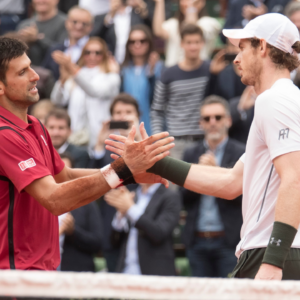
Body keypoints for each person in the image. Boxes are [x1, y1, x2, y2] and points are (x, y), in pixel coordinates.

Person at [106, 13, 300, 280]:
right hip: (271, 250)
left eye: (242, 48)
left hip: (273, 252)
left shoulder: (276, 100)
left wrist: (274, 261)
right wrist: (155, 162)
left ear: (263, 47)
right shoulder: (282, 100)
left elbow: (295, 177)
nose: (236, 58)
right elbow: (232, 182)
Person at [0, 36, 173, 270]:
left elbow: (66, 176)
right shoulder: (4, 135)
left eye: (31, 66)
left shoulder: (35, 125)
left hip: (41, 272)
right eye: (22, 72)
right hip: (14, 277)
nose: (35, 75)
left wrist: (129, 174)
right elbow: (55, 199)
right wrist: (122, 169)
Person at [181, 96, 245, 278]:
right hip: (197, 240)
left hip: (230, 241)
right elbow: (182, 198)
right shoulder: (191, 153)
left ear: (228, 120)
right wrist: (199, 174)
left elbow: (246, 196)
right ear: (200, 123)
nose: (213, 122)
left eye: (218, 117)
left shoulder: (242, 152)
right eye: (207, 119)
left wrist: (216, 172)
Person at [90, 93, 140, 272]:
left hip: (142, 227)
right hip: (111, 226)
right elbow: (97, 182)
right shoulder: (104, 151)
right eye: (118, 113)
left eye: (128, 111)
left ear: (138, 115)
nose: (123, 116)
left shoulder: (149, 145)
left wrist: (137, 137)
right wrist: (98, 145)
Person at [151, 24, 210, 160]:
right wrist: (159, 142)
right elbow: (157, 110)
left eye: (196, 42)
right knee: (174, 182)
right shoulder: (168, 74)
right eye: (189, 42)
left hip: (204, 141)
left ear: (203, 43)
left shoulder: (210, 70)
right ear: (181, 44)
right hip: (175, 142)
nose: (193, 47)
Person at [50, 37, 120, 148]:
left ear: (104, 55)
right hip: (75, 137)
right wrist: (62, 80)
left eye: (98, 53)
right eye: (88, 52)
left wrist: (71, 68)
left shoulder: (111, 76)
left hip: (101, 137)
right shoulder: (75, 75)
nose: (92, 56)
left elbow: (94, 91)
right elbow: (57, 100)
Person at [105, 183, 181, 275]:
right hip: (126, 271)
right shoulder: (132, 195)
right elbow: (114, 242)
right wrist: (120, 215)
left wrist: (130, 208)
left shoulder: (170, 196)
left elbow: (159, 233)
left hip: (154, 273)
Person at [59, 153, 103, 272]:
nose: (61, 177)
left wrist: (73, 231)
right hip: (43, 273)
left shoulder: (86, 203)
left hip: (76, 275)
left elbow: (97, 243)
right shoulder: (39, 203)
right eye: (56, 172)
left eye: (66, 173)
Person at [121, 24, 164, 134]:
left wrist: (151, 74)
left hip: (153, 127)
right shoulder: (122, 70)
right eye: (132, 42)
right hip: (127, 127)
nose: (137, 45)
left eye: (142, 41)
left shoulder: (160, 67)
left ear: (149, 43)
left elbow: (159, 100)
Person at [153, 0, 221, 67]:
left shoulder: (210, 23)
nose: (186, 3)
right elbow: (159, 32)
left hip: (198, 71)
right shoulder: (173, 23)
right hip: (173, 71)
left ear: (202, 2)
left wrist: (191, 6)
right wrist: (160, 2)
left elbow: (191, 30)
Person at [91, 0, 151, 64]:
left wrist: (143, 9)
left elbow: (149, 32)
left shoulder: (138, 15)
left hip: (133, 64)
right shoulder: (103, 18)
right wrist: (110, 16)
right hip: (109, 63)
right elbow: (93, 38)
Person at [43, 6, 94, 80]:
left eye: (84, 24)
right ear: (67, 23)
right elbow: (45, 74)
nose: (79, 26)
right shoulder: (55, 48)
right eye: (75, 22)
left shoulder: (97, 50)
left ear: (91, 27)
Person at [17, 0, 67, 66]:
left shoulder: (66, 23)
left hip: (52, 72)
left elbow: (62, 51)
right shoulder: (24, 25)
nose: (41, 1)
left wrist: (37, 39)